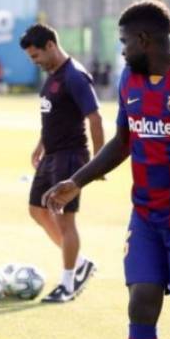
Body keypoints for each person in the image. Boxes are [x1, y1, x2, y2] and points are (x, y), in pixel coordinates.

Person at [42, 0, 170, 339]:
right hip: (148, 217)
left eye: (122, 42)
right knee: (142, 302)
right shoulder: (129, 81)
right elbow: (122, 141)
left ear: (144, 39)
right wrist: (76, 180)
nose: (119, 51)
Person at [19, 23, 105, 303]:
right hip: (51, 155)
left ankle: (68, 284)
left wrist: (99, 162)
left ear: (50, 46)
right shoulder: (53, 74)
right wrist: (40, 144)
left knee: (64, 220)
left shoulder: (75, 76)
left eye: (36, 56)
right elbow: (53, 115)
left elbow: (95, 118)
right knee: (36, 210)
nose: (35, 62)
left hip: (70, 157)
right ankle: (79, 263)